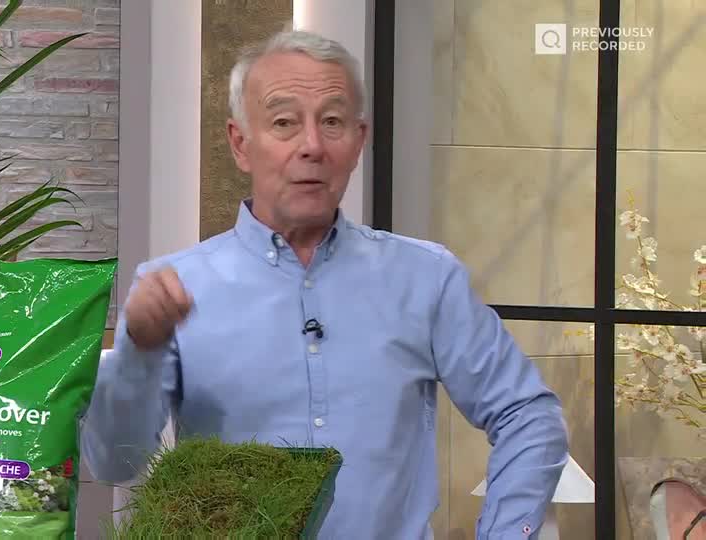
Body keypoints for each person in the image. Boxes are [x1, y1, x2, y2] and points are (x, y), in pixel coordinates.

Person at [80, 29, 569, 539]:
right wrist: (139, 349)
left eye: (332, 121)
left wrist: (507, 532)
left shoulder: (425, 278)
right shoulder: (176, 284)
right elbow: (116, 463)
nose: (311, 145)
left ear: (360, 140)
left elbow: (527, 414)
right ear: (240, 143)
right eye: (284, 122)